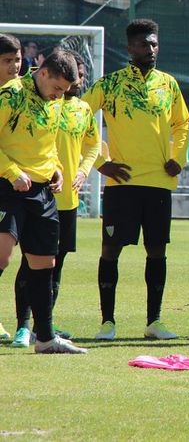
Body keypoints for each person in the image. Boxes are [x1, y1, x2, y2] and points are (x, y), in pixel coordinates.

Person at [84, 19, 189, 341]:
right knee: (110, 250)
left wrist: (179, 157)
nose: (151, 49)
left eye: (155, 43)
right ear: (130, 48)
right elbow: (77, 116)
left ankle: (154, 322)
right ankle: (108, 323)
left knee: (157, 251)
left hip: (158, 183)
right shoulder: (110, 84)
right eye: (145, 44)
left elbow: (182, 124)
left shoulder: (168, 84)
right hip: (122, 185)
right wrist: (101, 164)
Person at [0, 50, 87, 353]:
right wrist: (11, 172)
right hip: (8, 187)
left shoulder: (56, 99)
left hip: (42, 190)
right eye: (58, 88)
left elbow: (46, 142)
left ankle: (46, 339)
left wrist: (57, 168)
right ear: (44, 73)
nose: (60, 96)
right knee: (2, 254)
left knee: (44, 263)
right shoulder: (11, 94)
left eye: (65, 91)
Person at [0, 33, 22, 341]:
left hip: (12, 184)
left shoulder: (21, 93)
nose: (15, 66)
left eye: (17, 60)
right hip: (9, 177)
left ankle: (29, 324)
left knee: (4, 256)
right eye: (7, 61)